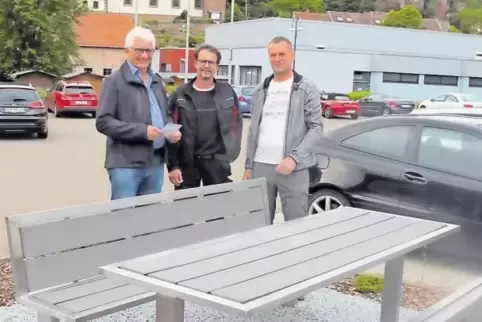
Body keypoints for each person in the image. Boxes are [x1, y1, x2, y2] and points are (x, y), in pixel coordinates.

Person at [243, 36, 324, 224]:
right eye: (273, 55)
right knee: (259, 224)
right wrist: (248, 166)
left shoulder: (306, 88)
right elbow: (253, 130)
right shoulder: (260, 90)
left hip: (293, 168)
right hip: (260, 166)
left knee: (295, 225)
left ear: (292, 55)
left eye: (282, 54)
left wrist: (294, 158)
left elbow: (316, 127)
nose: (277, 59)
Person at [96, 26, 181, 200]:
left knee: (148, 220)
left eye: (148, 51)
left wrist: (170, 130)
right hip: (125, 166)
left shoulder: (157, 82)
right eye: (139, 50)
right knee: (125, 219)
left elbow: (166, 115)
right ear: (127, 51)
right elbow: (103, 122)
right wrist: (142, 132)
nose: (144, 56)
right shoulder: (114, 81)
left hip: (155, 164)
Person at [167, 44, 243, 189]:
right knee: (186, 210)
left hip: (217, 164)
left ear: (217, 66)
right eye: (203, 61)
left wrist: (230, 154)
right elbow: (169, 128)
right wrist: (173, 166)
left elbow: (237, 123)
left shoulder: (226, 91)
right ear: (195, 63)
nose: (206, 66)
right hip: (187, 165)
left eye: (211, 62)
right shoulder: (180, 94)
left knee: (218, 210)